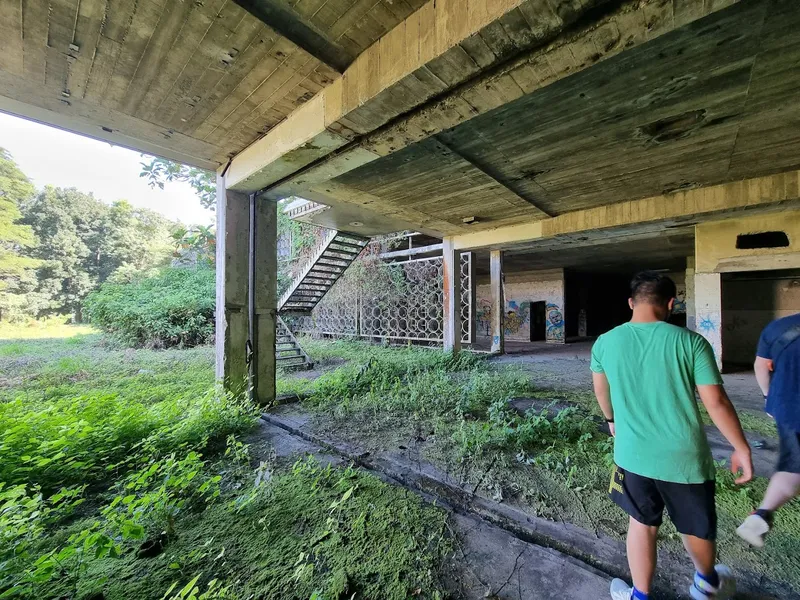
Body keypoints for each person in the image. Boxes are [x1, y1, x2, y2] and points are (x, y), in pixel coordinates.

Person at [590, 271, 754, 600]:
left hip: (632, 454)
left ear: (631, 303)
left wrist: (611, 420)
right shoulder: (691, 343)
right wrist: (741, 448)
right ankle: (707, 584)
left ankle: (640, 595)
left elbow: (601, 390)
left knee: (641, 522)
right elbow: (717, 403)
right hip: (684, 459)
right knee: (695, 525)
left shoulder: (605, 342)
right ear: (670, 304)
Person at [737, 312, 800, 547]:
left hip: (788, 406)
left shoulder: (778, 327)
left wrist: (768, 397)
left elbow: (761, 366)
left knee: (793, 465)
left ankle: (762, 514)